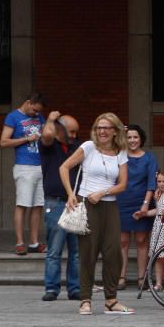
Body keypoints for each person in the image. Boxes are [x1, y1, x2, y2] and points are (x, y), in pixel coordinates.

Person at [59, 113, 133, 316]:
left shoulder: (121, 152)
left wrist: (103, 192)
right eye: (99, 127)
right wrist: (71, 194)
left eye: (107, 128)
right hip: (87, 205)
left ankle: (111, 300)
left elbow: (123, 185)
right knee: (88, 253)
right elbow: (64, 168)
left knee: (113, 253)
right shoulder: (88, 147)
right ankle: (85, 299)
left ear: (115, 131)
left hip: (109, 206)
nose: (102, 131)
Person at [39, 111, 81, 301]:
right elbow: (47, 134)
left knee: (76, 251)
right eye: (71, 132)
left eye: (76, 133)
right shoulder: (49, 145)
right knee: (54, 250)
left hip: (76, 203)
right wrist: (50, 119)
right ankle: (52, 288)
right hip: (55, 202)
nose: (73, 136)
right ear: (59, 129)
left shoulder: (77, 147)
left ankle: (75, 288)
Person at [0, 92, 46, 255]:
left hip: (41, 166)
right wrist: (27, 139)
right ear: (27, 103)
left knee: (38, 205)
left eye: (38, 112)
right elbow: (3, 141)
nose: (36, 114)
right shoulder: (13, 117)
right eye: (34, 110)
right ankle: (19, 242)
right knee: (23, 204)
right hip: (24, 166)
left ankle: (34, 242)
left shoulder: (40, 118)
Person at [117, 124, 157, 290]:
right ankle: (120, 277)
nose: (132, 140)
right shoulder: (119, 156)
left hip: (142, 201)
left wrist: (145, 205)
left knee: (141, 240)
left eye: (135, 137)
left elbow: (151, 183)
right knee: (122, 241)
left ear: (141, 139)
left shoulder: (149, 157)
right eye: (129, 137)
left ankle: (142, 277)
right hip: (121, 201)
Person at [143, 169, 164, 292]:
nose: (161, 184)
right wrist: (145, 213)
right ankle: (158, 283)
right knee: (159, 256)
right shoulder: (158, 194)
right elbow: (158, 210)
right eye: (159, 181)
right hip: (158, 224)